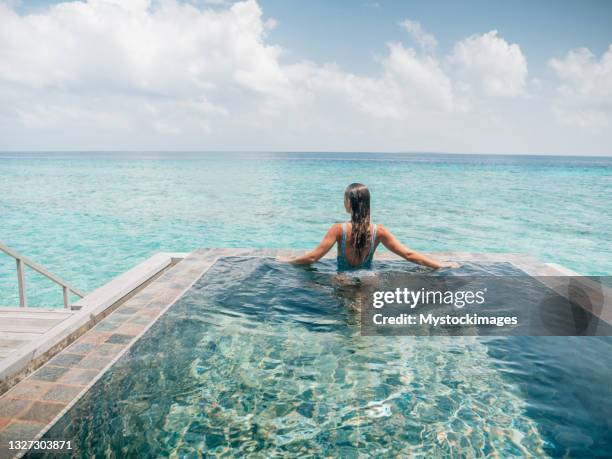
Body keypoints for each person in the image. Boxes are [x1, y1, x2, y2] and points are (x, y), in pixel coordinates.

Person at [286, 183, 459, 270]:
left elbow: (311, 258)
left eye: (344, 199)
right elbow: (408, 254)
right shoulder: (379, 231)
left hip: (343, 282)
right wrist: (441, 265)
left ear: (349, 203)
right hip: (369, 280)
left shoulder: (338, 229)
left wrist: (288, 262)